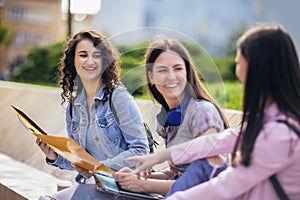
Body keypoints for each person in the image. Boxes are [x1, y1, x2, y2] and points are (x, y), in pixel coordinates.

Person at [128, 23, 300, 200]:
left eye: (238, 62)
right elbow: (217, 142)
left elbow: (224, 186)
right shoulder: (270, 120)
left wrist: (146, 186)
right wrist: (157, 157)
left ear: (257, 68)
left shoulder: (280, 134)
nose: (236, 67)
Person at [107, 38, 229, 198]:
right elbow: (175, 172)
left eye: (178, 68)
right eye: (163, 70)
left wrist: (142, 184)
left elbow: (200, 182)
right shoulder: (167, 118)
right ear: (151, 76)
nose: (171, 77)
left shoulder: (203, 111)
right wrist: (134, 177)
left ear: (187, 72)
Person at [36, 29, 150, 199]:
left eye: (96, 55)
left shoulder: (119, 99)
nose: (90, 61)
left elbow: (141, 151)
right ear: (72, 61)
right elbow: (80, 160)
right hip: (93, 185)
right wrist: (54, 156)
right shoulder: (74, 107)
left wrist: (98, 168)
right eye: (83, 55)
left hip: (121, 187)